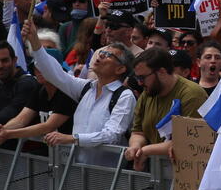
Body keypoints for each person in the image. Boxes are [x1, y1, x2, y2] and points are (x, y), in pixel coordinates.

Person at [25, 19, 137, 165]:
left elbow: (111, 135)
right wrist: (34, 41)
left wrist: (72, 138)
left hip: (109, 173)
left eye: (109, 55)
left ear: (120, 69)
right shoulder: (86, 87)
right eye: (102, 52)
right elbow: (54, 74)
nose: (101, 55)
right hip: (77, 170)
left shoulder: (125, 96)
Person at [126, 47, 208, 170]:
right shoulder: (148, 92)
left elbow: (190, 141)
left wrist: (146, 150)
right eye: (137, 78)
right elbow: (138, 132)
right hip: (156, 171)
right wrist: (135, 146)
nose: (139, 83)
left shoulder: (192, 94)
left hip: (185, 171)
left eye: (142, 78)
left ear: (162, 72)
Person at [0, 63, 78, 147]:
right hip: (51, 149)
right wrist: (1, 130)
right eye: (36, 68)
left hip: (70, 150)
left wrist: (8, 134)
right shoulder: (40, 89)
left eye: (44, 66)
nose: (39, 71)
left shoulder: (66, 92)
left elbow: (48, 126)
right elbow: (21, 120)